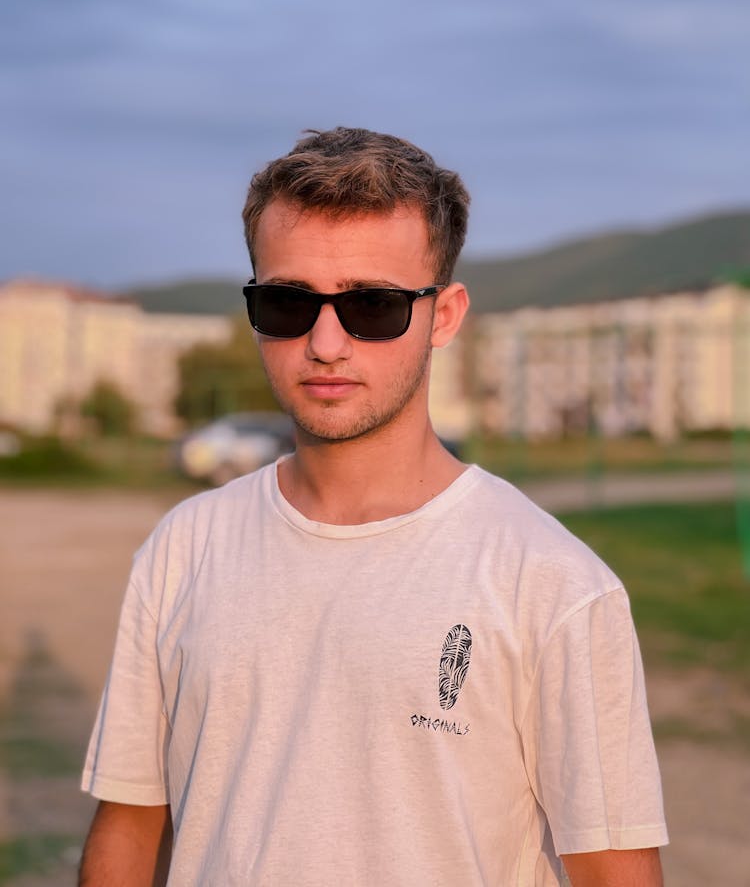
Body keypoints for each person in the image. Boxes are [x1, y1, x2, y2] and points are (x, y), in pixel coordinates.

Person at [79, 127, 668, 886]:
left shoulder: (552, 585)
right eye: (289, 303)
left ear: (445, 316)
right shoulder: (183, 546)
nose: (326, 342)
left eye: (375, 306)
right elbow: (129, 822)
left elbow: (614, 873)